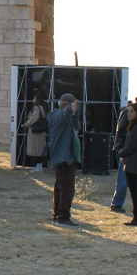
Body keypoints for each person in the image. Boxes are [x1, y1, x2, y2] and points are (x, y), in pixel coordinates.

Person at [46, 93, 82, 227]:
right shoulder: (56, 116)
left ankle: (57, 215)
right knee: (67, 188)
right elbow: (63, 115)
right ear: (66, 105)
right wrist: (71, 108)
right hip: (64, 158)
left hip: (64, 157)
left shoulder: (61, 118)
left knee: (61, 187)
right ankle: (63, 217)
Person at [111, 93, 137, 213]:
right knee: (124, 181)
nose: (129, 114)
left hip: (134, 155)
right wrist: (121, 149)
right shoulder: (129, 117)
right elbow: (121, 131)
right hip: (127, 153)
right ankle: (117, 203)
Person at [23, 94, 47, 173]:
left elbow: (34, 118)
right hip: (39, 133)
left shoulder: (37, 108)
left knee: (36, 149)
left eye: (34, 98)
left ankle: (39, 166)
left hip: (36, 133)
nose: (33, 99)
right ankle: (38, 166)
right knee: (38, 149)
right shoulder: (42, 107)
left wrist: (27, 124)